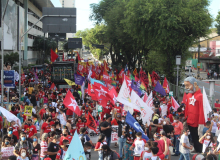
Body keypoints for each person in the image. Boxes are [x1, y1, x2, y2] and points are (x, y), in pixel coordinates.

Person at [184, 77, 205, 153]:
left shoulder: (200, 96)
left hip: (197, 122)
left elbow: (201, 111)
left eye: (188, 85)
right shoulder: (189, 95)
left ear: (194, 84)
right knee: (192, 137)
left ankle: (200, 150)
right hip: (190, 121)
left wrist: (201, 123)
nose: (186, 88)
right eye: (185, 85)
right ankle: (196, 149)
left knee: (198, 137)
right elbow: (187, 108)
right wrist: (186, 117)